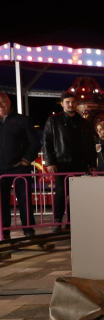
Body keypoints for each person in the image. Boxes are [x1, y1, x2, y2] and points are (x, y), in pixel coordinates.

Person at [43, 91, 97, 231]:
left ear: (76, 103)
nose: (71, 104)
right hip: (61, 162)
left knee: (76, 194)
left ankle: (72, 221)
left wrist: (92, 163)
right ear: (62, 104)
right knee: (61, 192)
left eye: (73, 102)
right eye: (67, 102)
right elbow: (47, 142)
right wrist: (50, 162)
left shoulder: (84, 123)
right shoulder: (53, 120)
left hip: (80, 162)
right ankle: (57, 220)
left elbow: (90, 144)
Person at [0, 92, 41, 239]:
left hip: (20, 167)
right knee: (2, 202)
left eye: (2, 102)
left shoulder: (23, 120)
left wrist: (26, 160)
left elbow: (35, 143)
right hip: (1, 169)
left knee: (24, 200)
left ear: (9, 102)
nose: (0, 106)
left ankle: (28, 230)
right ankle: (4, 231)